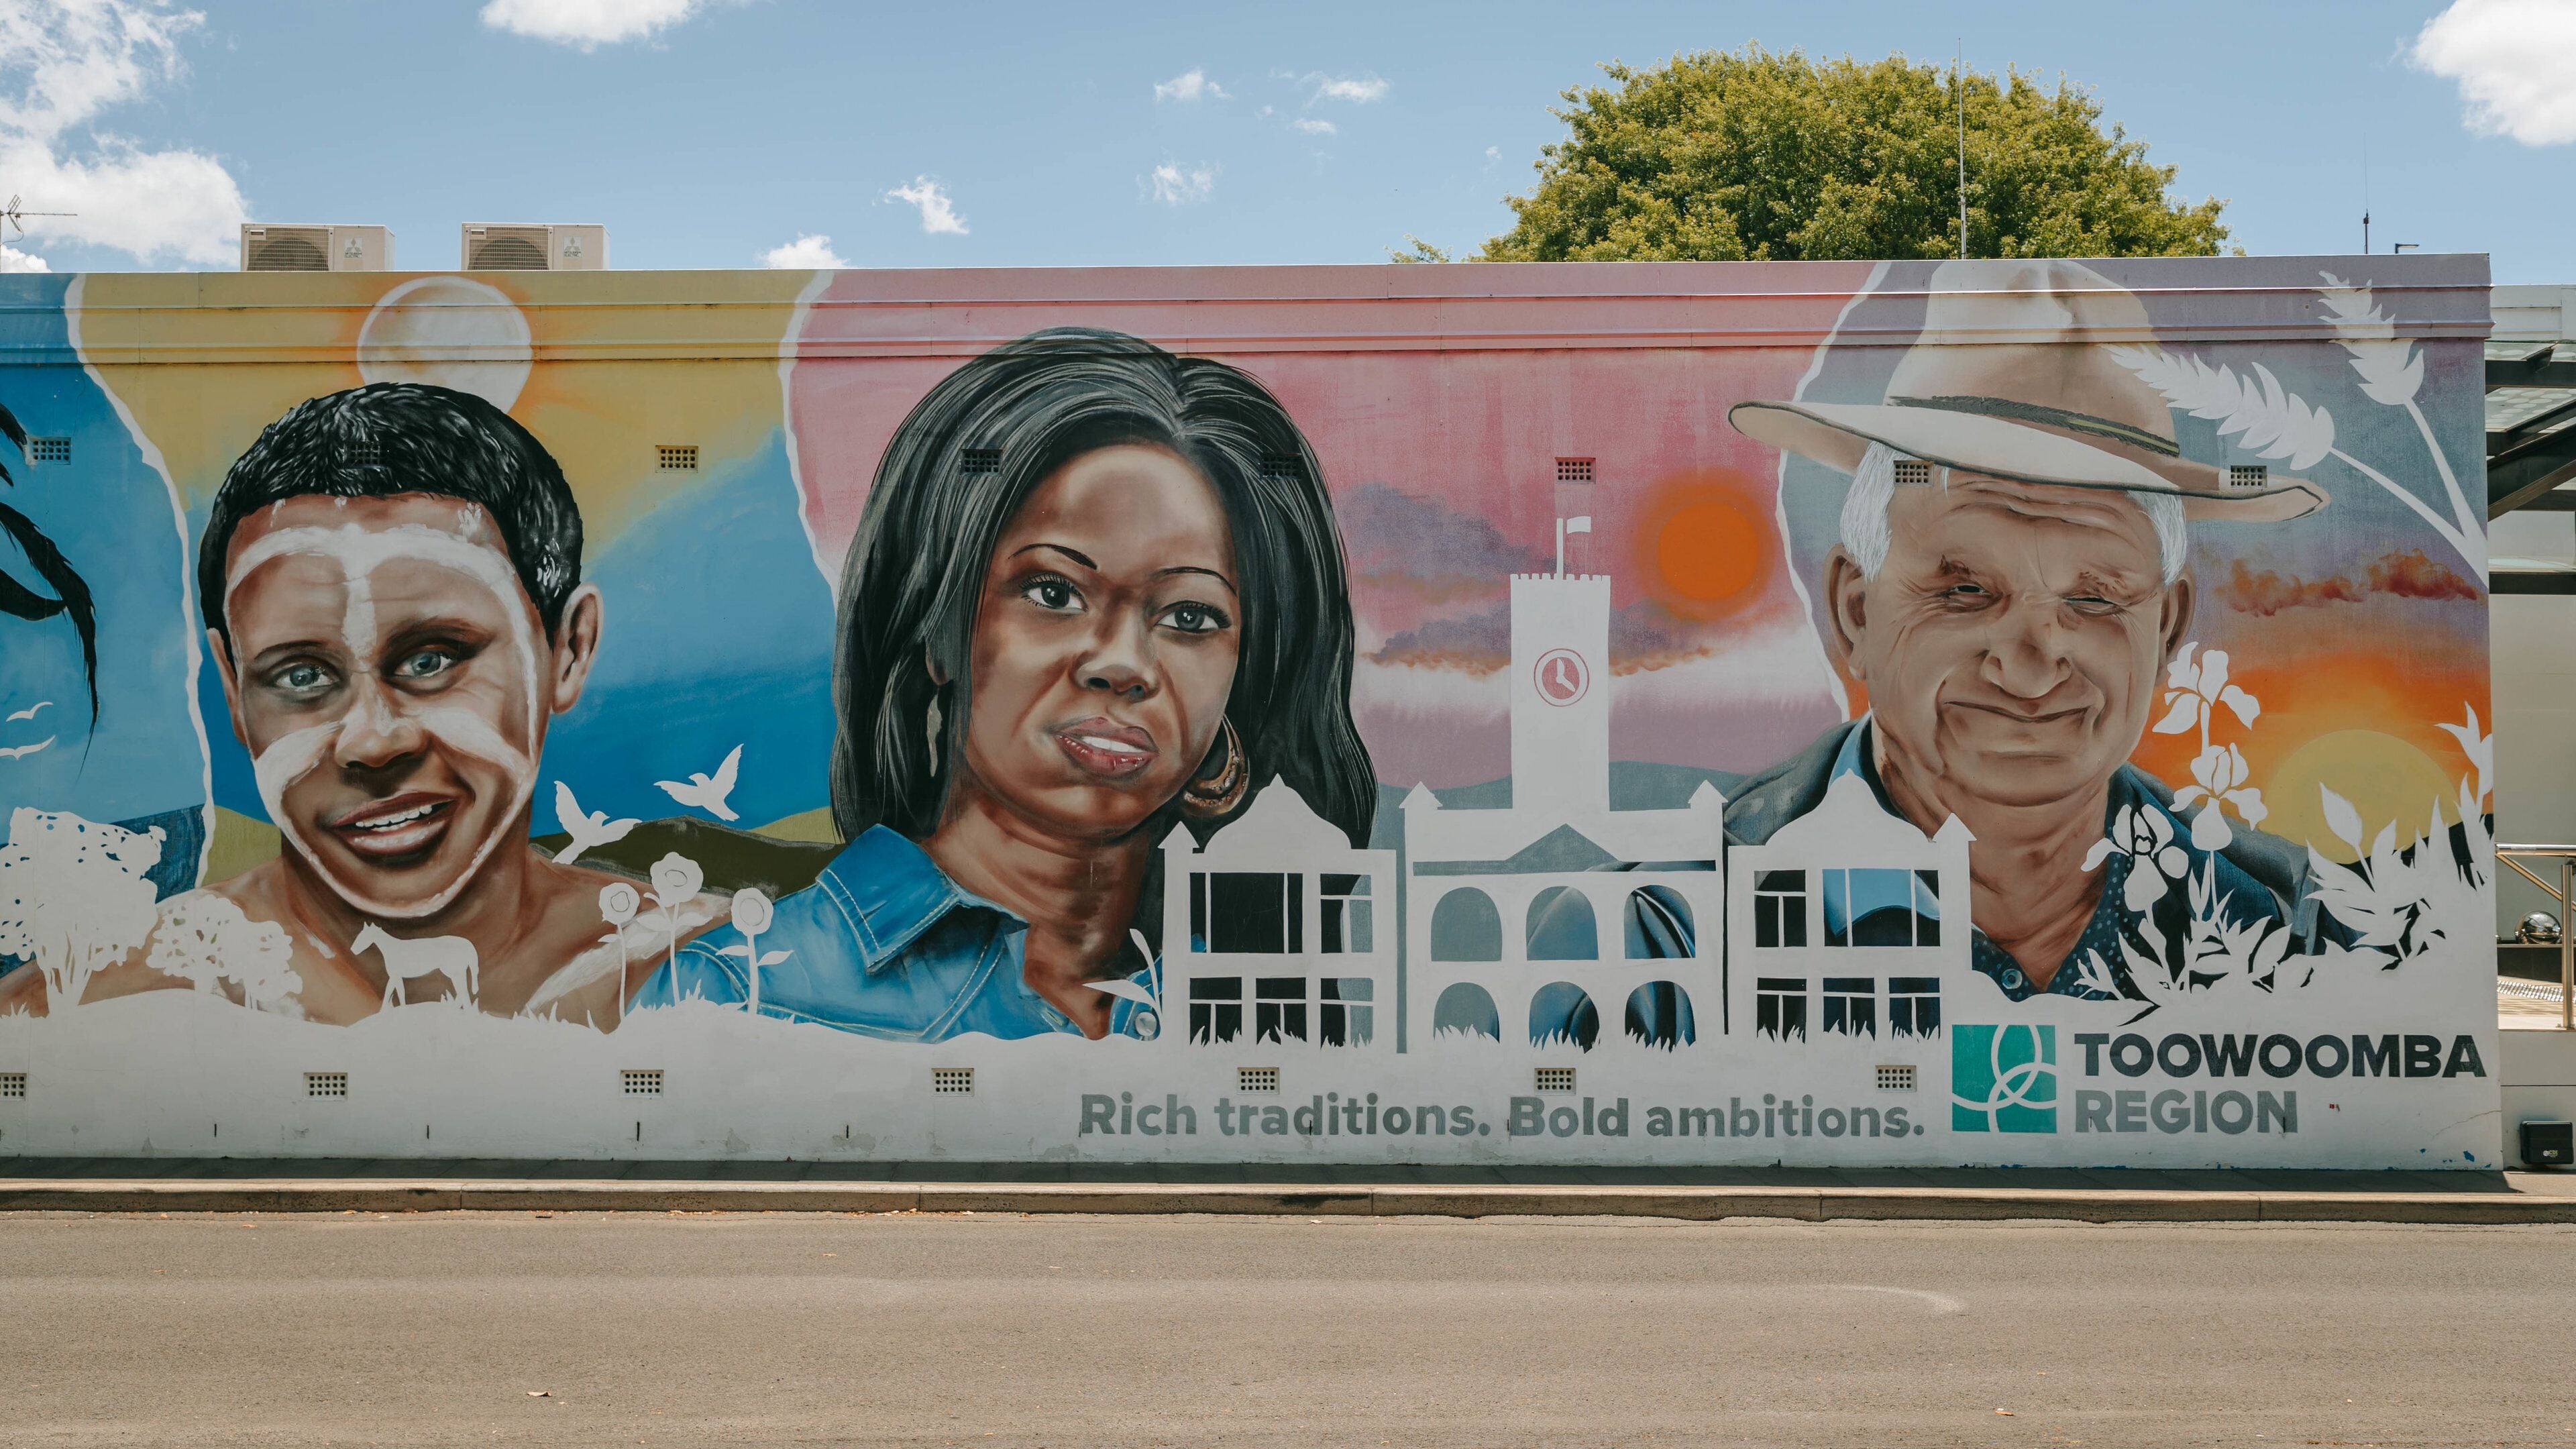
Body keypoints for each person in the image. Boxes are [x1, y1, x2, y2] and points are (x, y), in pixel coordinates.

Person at [634, 327, 1375, 1040]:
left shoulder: (1267, 987)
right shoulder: (745, 992)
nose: (1121, 663)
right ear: (940, 632)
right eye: (1053, 593)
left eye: (1190, 614)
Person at [0, 382, 725, 1024]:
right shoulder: (78, 1012)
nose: (373, 742)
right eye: (302, 677)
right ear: (233, 690)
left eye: (431, 660)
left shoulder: (715, 972)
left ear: (568, 649)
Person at [1725, 260, 2328, 1004]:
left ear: (2166, 629)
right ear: (1856, 611)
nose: (2033, 667)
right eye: (1966, 590)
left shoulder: (2294, 920)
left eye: (2096, 599)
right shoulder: (1673, 926)